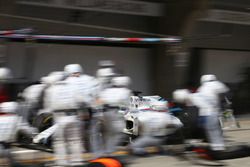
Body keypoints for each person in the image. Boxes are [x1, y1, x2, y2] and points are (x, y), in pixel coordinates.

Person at [46, 64, 99, 166]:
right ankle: (77, 162)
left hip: (59, 118)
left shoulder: (51, 90)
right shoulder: (74, 86)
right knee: (75, 141)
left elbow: (48, 107)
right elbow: (83, 100)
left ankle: (62, 163)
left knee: (59, 142)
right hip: (74, 116)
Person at [91, 76, 132, 157]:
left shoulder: (107, 90)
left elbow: (98, 101)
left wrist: (99, 114)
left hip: (104, 112)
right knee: (119, 131)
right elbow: (128, 106)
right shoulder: (126, 91)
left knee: (108, 133)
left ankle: (103, 153)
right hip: (115, 112)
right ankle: (108, 151)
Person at [0, 102, 36, 166]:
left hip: (4, 148)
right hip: (6, 149)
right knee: (15, 164)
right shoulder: (17, 119)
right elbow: (28, 131)